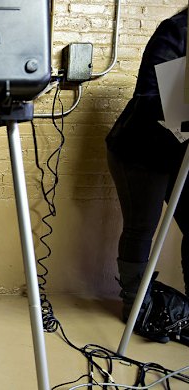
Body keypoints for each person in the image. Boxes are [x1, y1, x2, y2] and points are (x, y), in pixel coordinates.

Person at [105, 8, 188, 322]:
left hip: (180, 152)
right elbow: (151, 96)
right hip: (139, 149)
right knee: (142, 227)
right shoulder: (177, 31)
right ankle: (135, 305)